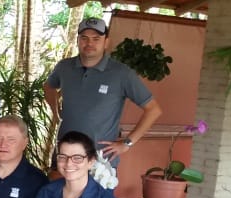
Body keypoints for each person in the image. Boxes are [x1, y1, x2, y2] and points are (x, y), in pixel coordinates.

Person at [45, 17, 162, 163]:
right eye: (84, 38)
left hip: (100, 163)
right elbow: (48, 87)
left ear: (106, 42)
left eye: (96, 38)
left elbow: (153, 110)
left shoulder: (122, 73)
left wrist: (127, 143)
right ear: (78, 40)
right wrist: (55, 112)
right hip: (65, 159)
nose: (89, 43)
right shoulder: (64, 67)